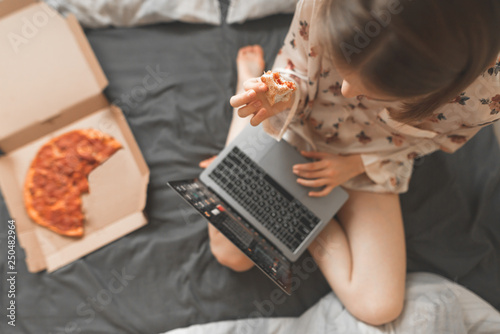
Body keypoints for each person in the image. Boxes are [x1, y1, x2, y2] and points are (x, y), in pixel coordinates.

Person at [200, 0, 500, 326]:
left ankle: (287, 201)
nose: (345, 90)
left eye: (374, 92)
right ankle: (244, 119)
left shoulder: (487, 94)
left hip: (373, 158)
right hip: (299, 122)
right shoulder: (332, 5)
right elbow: (296, 68)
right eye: (341, 68)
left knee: (379, 307)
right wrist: (275, 93)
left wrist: (357, 165)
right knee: (230, 253)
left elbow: (433, 140)